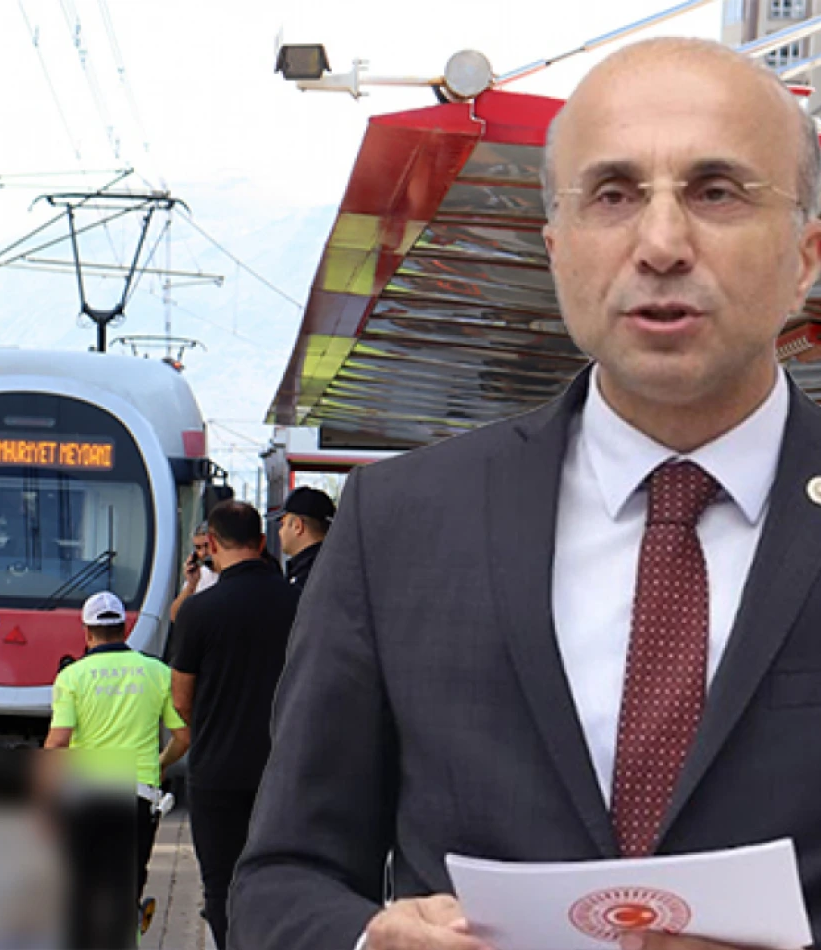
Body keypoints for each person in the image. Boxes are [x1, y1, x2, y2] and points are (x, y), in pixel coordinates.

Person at [230, 38, 821, 950]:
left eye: (717, 191)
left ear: (807, 254)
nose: (662, 244)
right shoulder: (401, 528)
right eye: (614, 195)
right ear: (556, 248)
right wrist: (366, 940)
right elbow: (280, 882)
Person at [169, 500, 298, 950]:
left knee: (222, 884)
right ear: (262, 542)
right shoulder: (299, 603)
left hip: (217, 771)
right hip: (285, 771)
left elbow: (180, 702)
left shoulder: (198, 612)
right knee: (281, 878)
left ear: (213, 547)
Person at [45, 590, 190, 943]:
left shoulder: (72, 678)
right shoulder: (157, 672)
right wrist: (159, 764)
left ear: (87, 632)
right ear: (125, 628)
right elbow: (184, 737)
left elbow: (57, 743)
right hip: (138, 794)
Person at [275, 487, 334, 590]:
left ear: (297, 526)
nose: (280, 532)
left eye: (282, 524)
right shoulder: (338, 564)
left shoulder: (307, 576)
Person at [168, 523, 218, 624]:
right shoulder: (201, 574)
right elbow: (174, 615)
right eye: (198, 548)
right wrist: (191, 585)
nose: (203, 553)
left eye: (207, 546)